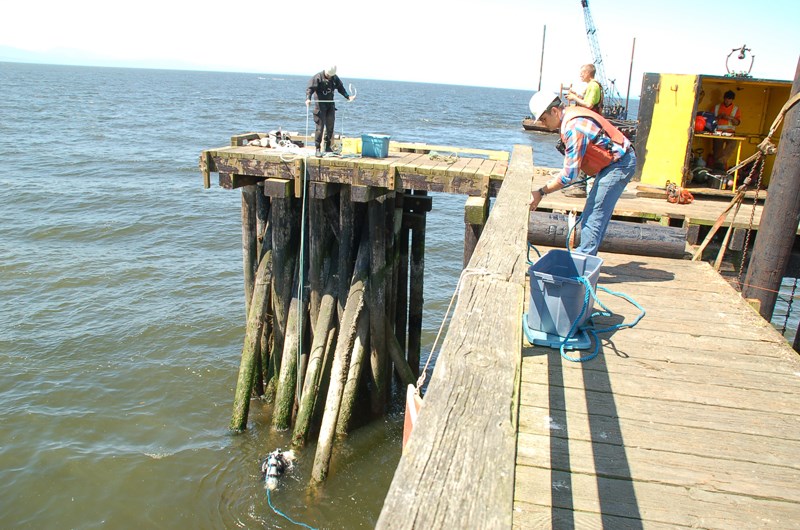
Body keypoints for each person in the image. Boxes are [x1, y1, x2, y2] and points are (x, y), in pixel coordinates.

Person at [526, 88, 635, 256]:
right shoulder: (571, 115)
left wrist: (541, 192)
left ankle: (582, 265)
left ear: (554, 111)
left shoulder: (572, 128)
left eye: (544, 119)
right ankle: (585, 258)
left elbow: (569, 174)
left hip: (620, 164)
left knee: (594, 215)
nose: (543, 124)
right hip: (614, 163)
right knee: (595, 212)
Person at [562, 64, 605, 197]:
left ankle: (579, 187)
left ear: (588, 73)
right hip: (591, 123)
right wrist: (577, 96)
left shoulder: (593, 85)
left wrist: (574, 98)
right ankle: (577, 185)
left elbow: (589, 104)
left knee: (583, 153)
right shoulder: (593, 86)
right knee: (584, 153)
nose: (580, 75)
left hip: (589, 124)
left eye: (582, 73)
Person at [305, 66, 354, 157]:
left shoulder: (335, 78)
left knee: (330, 126)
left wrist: (347, 97)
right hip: (320, 106)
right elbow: (310, 89)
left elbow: (340, 88)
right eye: (328, 75)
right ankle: (317, 148)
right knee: (320, 128)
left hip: (330, 105)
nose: (329, 77)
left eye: (331, 76)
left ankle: (327, 147)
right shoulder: (318, 77)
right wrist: (308, 99)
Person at [709, 90, 742, 170]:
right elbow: (710, 120)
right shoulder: (716, 107)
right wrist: (719, 117)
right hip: (718, 132)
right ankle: (718, 168)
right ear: (724, 98)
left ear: (732, 100)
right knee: (717, 150)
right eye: (726, 99)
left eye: (729, 99)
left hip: (730, 133)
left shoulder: (736, 109)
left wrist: (729, 117)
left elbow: (737, 122)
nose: (727, 101)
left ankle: (720, 163)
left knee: (732, 145)